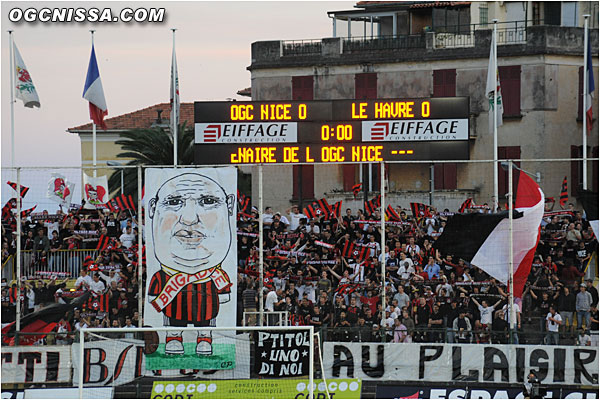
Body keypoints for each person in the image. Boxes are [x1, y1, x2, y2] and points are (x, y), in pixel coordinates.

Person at [147, 173, 234, 356]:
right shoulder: (161, 276)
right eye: (173, 202)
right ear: (153, 209)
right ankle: (173, 339)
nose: (189, 219)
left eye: (208, 201)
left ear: (230, 206)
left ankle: (204, 340)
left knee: (206, 323)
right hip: (175, 311)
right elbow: (153, 296)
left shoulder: (216, 275)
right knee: (173, 324)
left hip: (206, 310)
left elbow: (224, 295)